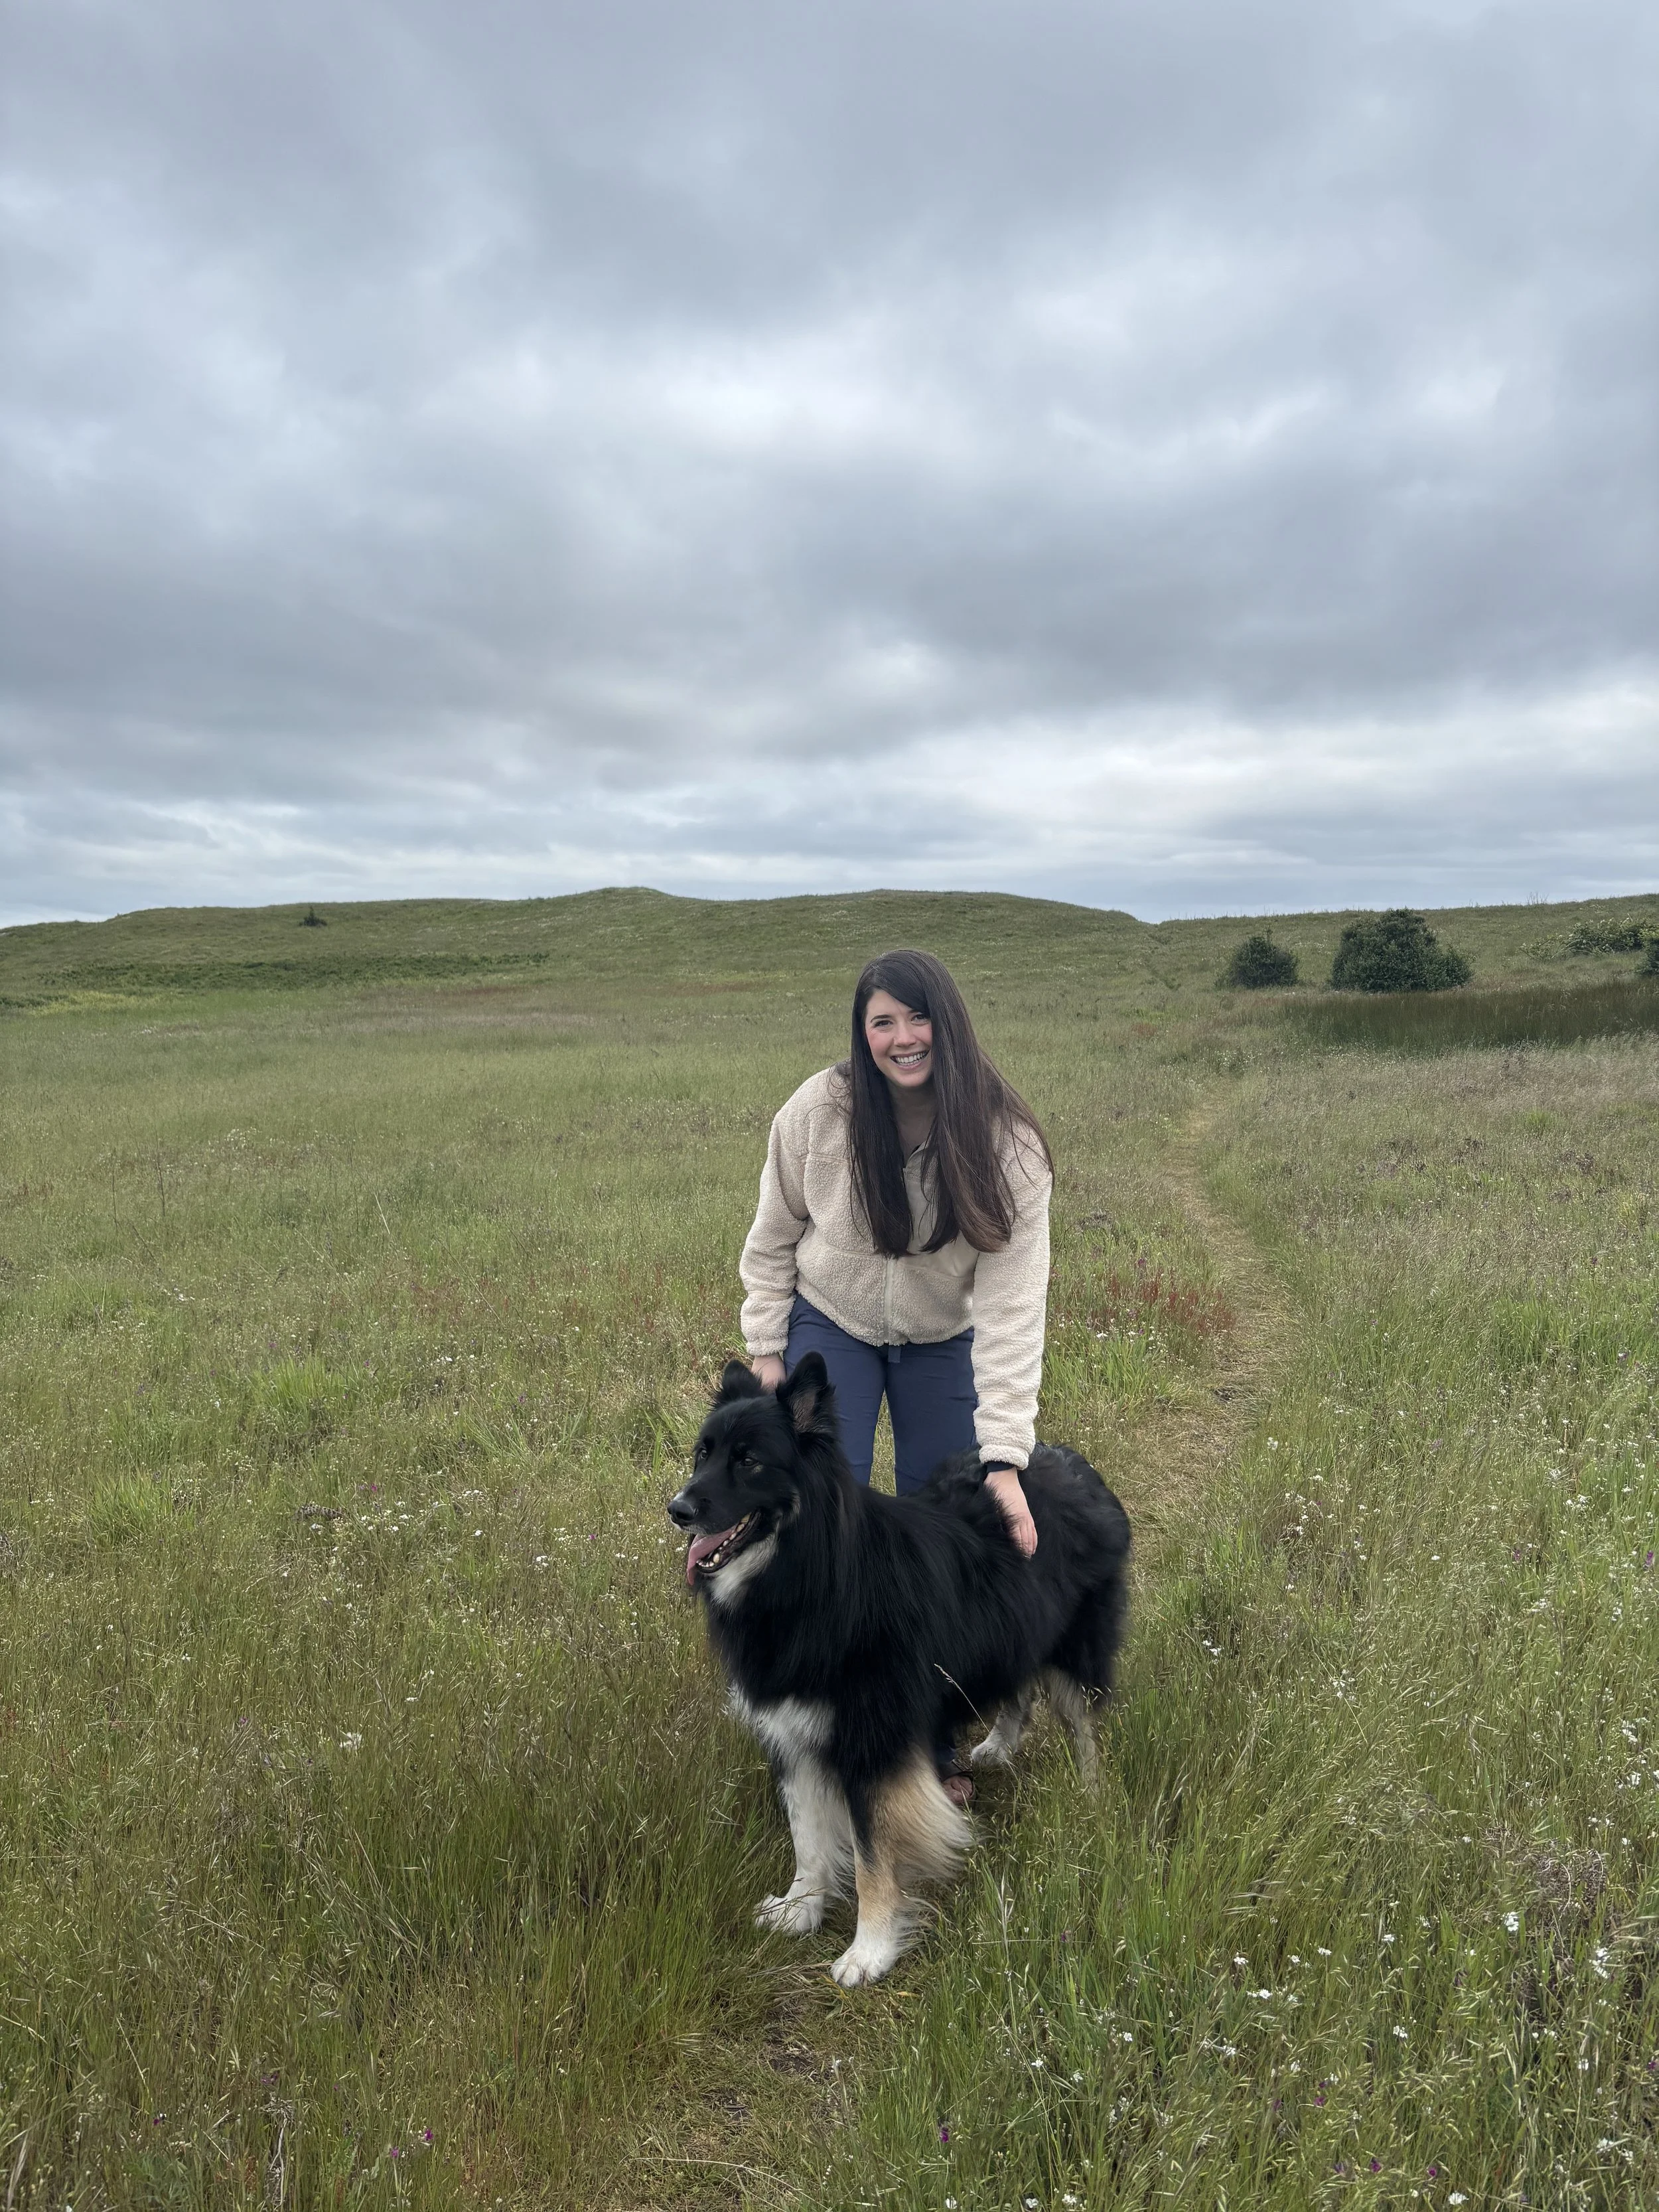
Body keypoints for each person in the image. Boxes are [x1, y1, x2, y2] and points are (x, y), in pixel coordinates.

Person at [739, 948, 1054, 1568]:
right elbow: (773, 1234)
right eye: (883, 1022)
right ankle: (811, 1659)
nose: (903, 1038)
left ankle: (926, 1661)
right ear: (863, 1034)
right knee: (820, 1506)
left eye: (919, 1017)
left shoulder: (1009, 1145)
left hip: (941, 1334)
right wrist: (766, 1349)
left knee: (944, 1514)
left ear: (950, 1022)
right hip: (832, 1320)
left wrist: (1006, 1460)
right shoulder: (817, 1111)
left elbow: (1013, 1307)